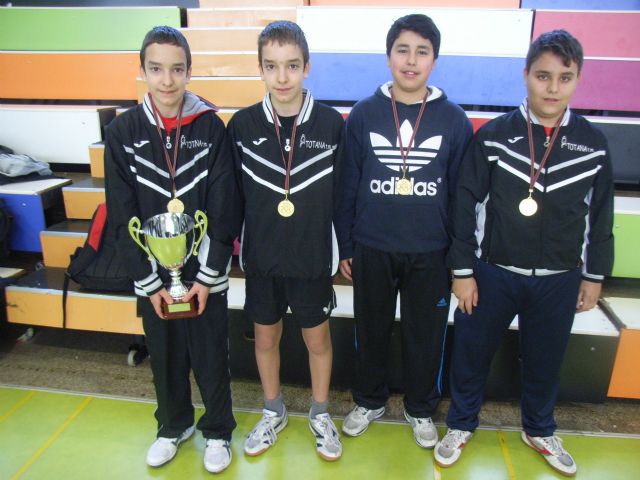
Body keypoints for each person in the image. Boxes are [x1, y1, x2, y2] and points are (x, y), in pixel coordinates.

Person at [434, 30, 614, 477]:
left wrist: (594, 276)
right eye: (543, 76)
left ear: (578, 79)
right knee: (471, 353)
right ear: (526, 75)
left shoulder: (593, 144)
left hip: (560, 278)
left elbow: (600, 217)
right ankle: (460, 423)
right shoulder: (494, 136)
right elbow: (464, 206)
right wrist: (462, 271)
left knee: (545, 360)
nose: (553, 88)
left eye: (564, 78)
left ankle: (538, 428)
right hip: (491, 273)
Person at [104, 26, 239, 473]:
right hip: (154, 270)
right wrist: (149, 282)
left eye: (177, 69)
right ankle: (172, 425)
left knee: (210, 354)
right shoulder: (122, 131)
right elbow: (122, 215)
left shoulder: (210, 127)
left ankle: (217, 430)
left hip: (202, 273)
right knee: (163, 355)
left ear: (189, 71)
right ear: (142, 70)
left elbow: (224, 206)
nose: (167, 80)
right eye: (157, 69)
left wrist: (208, 275)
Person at [335, 14, 473, 449]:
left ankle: (421, 408)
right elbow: (347, 185)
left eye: (422, 52)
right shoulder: (363, 114)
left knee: (425, 337)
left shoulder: (454, 120)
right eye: (403, 50)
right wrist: (347, 244)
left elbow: (461, 197)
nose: (411, 61)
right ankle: (369, 401)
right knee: (370, 329)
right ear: (388, 55)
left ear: (434, 60)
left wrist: (458, 258)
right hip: (372, 246)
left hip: (431, 252)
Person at [227, 20, 344, 461]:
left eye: (292, 65)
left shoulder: (332, 125)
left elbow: (344, 197)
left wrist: (347, 250)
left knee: (318, 341)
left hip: (312, 260)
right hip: (262, 260)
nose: (282, 77)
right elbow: (232, 198)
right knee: (265, 338)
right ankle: (273, 410)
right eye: (272, 66)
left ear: (307, 67)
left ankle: (320, 413)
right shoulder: (242, 125)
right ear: (260, 68)